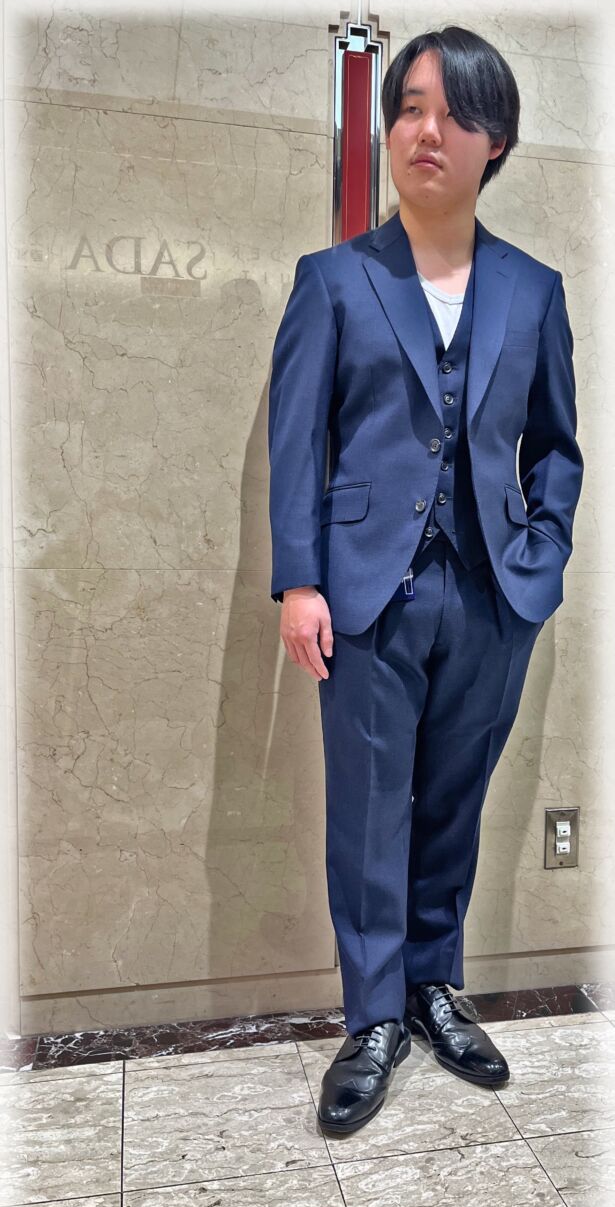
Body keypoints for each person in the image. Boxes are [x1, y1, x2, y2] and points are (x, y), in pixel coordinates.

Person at [267, 25, 583, 1137]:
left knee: (453, 801)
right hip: (364, 594)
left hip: (492, 595)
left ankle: (435, 988)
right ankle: (371, 1019)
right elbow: (297, 443)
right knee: (367, 809)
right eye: (407, 107)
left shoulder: (533, 290)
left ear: (495, 141)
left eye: (452, 112)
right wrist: (299, 582)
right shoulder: (334, 280)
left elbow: (556, 447)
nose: (423, 130)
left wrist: (541, 553)